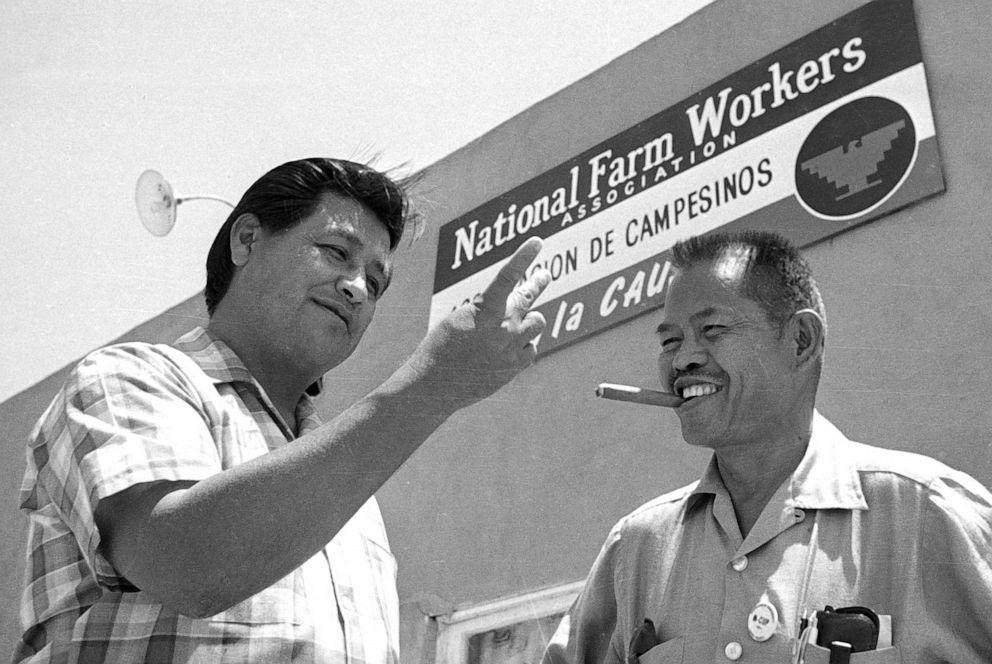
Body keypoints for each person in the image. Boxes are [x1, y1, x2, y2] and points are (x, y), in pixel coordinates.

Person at [15, 157, 551, 663]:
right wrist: (430, 387)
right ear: (247, 239)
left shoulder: (351, 497)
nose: (356, 287)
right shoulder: (131, 378)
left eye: (376, 281)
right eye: (336, 252)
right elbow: (186, 563)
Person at [543, 231, 992, 664]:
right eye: (670, 341)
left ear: (801, 340)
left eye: (713, 329)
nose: (683, 360)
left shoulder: (927, 513)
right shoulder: (637, 548)